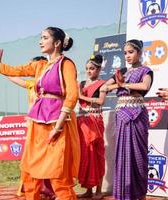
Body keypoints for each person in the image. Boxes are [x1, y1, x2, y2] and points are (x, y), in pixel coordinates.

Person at [0, 26, 80, 200]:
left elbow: (72, 95)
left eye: (45, 38)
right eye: (40, 37)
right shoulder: (40, 65)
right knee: (30, 172)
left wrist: (57, 127)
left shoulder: (66, 64)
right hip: (37, 124)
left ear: (57, 43)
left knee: (58, 175)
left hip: (56, 125)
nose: (40, 41)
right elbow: (14, 71)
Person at [100, 39, 153, 200]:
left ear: (139, 53)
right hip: (122, 116)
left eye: (131, 52)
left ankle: (140, 194)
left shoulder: (146, 71)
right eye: (125, 53)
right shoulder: (122, 72)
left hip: (136, 115)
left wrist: (123, 85)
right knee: (123, 154)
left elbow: (144, 87)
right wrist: (119, 84)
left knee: (138, 154)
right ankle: (125, 193)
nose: (127, 56)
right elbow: (104, 87)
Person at [77, 55, 106, 199]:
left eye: (92, 68)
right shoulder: (81, 84)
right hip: (82, 121)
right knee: (86, 154)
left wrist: (81, 97)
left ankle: (99, 190)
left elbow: (100, 101)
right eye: (87, 69)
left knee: (96, 154)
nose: (89, 71)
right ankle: (88, 190)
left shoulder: (102, 84)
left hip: (95, 121)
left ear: (99, 69)